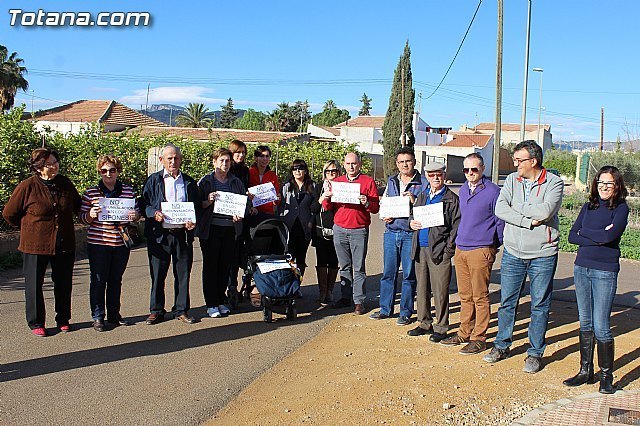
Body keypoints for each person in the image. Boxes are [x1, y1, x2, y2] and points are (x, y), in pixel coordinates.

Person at [483, 140, 564, 374]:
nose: (515, 164)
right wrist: (528, 220)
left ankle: (535, 353)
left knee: (539, 305)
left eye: (519, 160)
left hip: (543, 254)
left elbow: (545, 211)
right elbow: (500, 209)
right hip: (513, 252)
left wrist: (516, 209)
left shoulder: (554, 183)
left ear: (533, 161)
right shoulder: (511, 180)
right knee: (507, 302)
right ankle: (501, 345)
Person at [3, 148, 81, 336]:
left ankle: (63, 318)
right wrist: (29, 229)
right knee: (34, 284)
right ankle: (36, 322)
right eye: (49, 164)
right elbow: (9, 213)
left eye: (55, 162)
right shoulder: (27, 186)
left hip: (63, 242)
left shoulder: (65, 184)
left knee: (63, 282)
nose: (54, 167)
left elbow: (77, 206)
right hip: (35, 244)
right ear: (38, 167)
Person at [564, 166, 628, 394]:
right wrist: (597, 235)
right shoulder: (588, 206)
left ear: (616, 186)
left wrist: (586, 234)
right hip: (582, 268)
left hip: (605, 271)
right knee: (585, 321)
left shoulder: (621, 209)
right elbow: (572, 236)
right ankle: (585, 371)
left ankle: (606, 376)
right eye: (601, 182)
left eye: (609, 183)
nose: (604, 187)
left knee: (601, 325)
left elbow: (610, 236)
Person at [440, 153, 504, 354]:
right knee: (465, 295)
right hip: (462, 248)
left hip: (480, 249)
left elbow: (500, 221)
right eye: (466, 170)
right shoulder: (464, 189)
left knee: (480, 296)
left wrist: (493, 246)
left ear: (482, 169)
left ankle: (479, 338)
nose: (469, 173)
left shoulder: (493, 192)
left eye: (474, 169)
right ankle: (464, 332)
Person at [141, 143, 201, 325]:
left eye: (176, 158)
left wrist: (193, 222)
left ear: (181, 160)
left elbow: (196, 207)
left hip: (182, 235)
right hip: (160, 235)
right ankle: (156, 310)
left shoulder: (189, 182)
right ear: (162, 160)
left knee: (183, 274)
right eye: (169, 158)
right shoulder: (153, 180)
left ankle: (181, 309)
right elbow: (143, 205)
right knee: (158, 274)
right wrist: (153, 213)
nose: (173, 161)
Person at [80, 155, 139, 332]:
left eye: (112, 170)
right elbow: (82, 219)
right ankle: (98, 316)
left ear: (117, 171)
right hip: (98, 243)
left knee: (116, 280)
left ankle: (114, 314)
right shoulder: (91, 193)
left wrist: (135, 215)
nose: (108, 174)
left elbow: (136, 213)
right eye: (104, 170)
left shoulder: (128, 191)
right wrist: (90, 214)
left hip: (120, 243)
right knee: (98, 281)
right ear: (99, 172)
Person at [370, 147, 428, 325]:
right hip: (391, 232)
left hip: (410, 235)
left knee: (409, 275)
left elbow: (426, 210)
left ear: (414, 162)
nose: (405, 164)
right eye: (401, 161)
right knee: (388, 273)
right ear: (397, 164)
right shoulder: (392, 180)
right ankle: (385, 309)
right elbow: (385, 203)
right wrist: (383, 215)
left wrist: (414, 201)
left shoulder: (423, 183)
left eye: (408, 161)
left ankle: (405, 312)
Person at [407, 162, 460, 342]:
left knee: (440, 291)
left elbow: (456, 227)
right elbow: (413, 216)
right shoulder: (422, 196)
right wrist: (411, 222)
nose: (435, 178)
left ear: (444, 175)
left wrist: (448, 251)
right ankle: (424, 323)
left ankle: (441, 326)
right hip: (420, 249)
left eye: (438, 174)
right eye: (431, 175)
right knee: (421, 289)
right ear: (426, 176)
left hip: (439, 251)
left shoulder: (451, 199)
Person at [322, 152, 379, 315]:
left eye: (354, 163)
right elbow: (327, 207)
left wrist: (366, 202)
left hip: (359, 229)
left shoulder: (368, 181)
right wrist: (327, 196)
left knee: (358, 267)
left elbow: (375, 208)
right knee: (344, 266)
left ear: (359, 164)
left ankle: (359, 301)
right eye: (348, 164)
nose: (351, 167)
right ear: (344, 165)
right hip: (339, 228)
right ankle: (346, 297)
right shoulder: (337, 182)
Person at [197, 148, 247, 318]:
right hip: (211, 229)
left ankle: (220, 300)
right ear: (214, 162)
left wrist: (239, 215)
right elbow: (197, 206)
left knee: (225, 266)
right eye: (221, 161)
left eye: (227, 161)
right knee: (211, 266)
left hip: (229, 229)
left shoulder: (236, 182)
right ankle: (211, 303)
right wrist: (207, 201)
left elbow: (242, 205)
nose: (224, 164)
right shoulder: (205, 182)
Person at [310, 160, 342, 304]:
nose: (331, 174)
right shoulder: (318, 187)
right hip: (320, 230)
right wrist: (322, 198)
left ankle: (330, 290)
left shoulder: (343, 187)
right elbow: (313, 208)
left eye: (334, 171)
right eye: (328, 171)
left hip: (338, 228)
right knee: (322, 260)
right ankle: (322, 291)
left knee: (334, 261)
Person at [279, 159, 315, 278]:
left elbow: (314, 207)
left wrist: (311, 222)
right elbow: (280, 206)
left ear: (305, 171)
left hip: (305, 228)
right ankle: (288, 285)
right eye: (295, 169)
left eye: (300, 168)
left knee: (301, 259)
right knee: (288, 258)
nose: (298, 171)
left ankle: (297, 285)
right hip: (289, 227)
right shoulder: (286, 186)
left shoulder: (312, 186)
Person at [227, 140, 251, 306]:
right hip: (230, 218)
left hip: (244, 217)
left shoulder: (246, 171)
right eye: (238, 152)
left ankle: (246, 287)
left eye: (243, 152)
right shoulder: (228, 170)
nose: (241, 155)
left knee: (244, 254)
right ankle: (231, 288)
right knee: (232, 257)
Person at [248, 145, 280, 221]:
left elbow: (276, 198)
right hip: (251, 213)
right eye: (261, 156)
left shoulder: (273, 176)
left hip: (267, 214)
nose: (265, 159)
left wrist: (277, 199)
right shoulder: (248, 173)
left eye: (267, 156)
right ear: (256, 158)